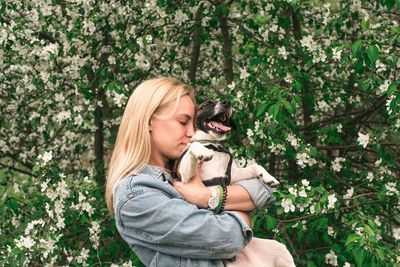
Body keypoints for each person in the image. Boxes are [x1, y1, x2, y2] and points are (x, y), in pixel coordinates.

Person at [105, 77, 294, 267]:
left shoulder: (181, 169)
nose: (191, 133)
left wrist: (208, 196)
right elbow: (229, 237)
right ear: (148, 121)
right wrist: (243, 214)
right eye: (182, 122)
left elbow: (264, 189)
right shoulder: (136, 194)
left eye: (193, 124)